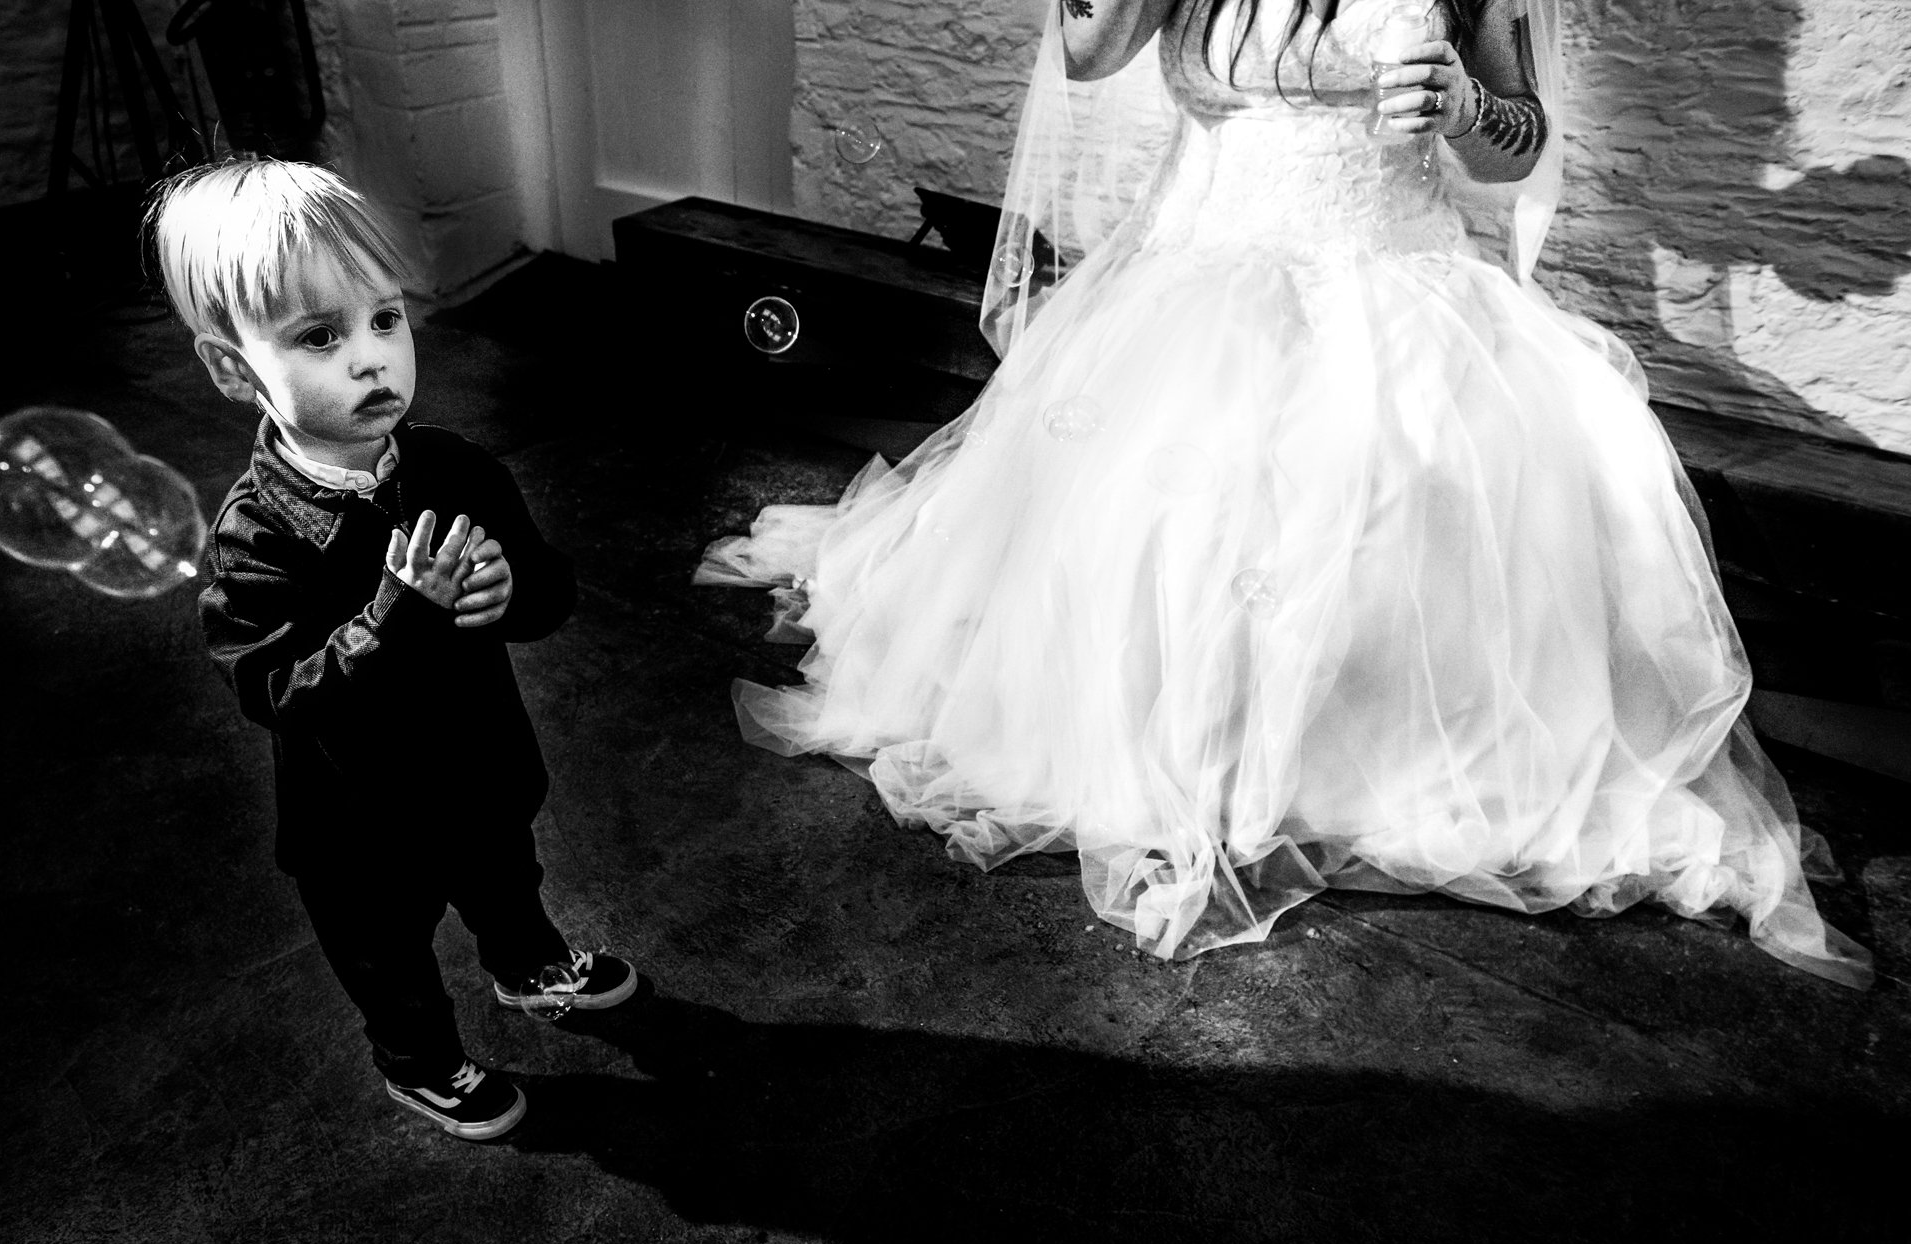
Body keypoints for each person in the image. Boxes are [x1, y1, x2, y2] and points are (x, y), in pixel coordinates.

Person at [697, 0, 1873, 988]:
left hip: (1402, 297)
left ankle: (1332, 764)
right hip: (1195, 296)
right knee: (1169, 519)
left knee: (1400, 515)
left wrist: (1466, 109)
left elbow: (1511, 149)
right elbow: (1091, 50)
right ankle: (1172, 775)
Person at [149, 159, 639, 1141]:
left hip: (477, 764)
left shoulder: (455, 467)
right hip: (358, 823)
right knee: (387, 950)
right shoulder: (255, 541)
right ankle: (417, 1061)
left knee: (505, 875)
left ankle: (525, 960)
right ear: (233, 369)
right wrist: (395, 617)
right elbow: (279, 689)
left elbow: (548, 586)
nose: (373, 358)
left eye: (385, 318)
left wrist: (514, 592)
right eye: (321, 336)